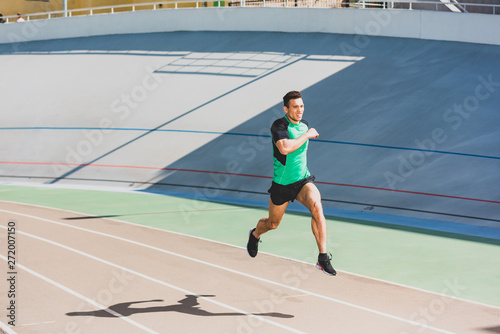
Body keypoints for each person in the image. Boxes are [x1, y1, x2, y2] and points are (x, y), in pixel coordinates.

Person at [246, 90, 336, 276]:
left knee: (317, 206)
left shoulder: (304, 125)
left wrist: (307, 132)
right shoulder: (279, 125)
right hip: (282, 185)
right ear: (286, 108)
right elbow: (285, 148)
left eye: (302, 106)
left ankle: (322, 257)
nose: (299, 110)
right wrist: (307, 135)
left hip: (303, 180)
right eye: (295, 107)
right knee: (272, 224)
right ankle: (254, 234)